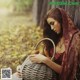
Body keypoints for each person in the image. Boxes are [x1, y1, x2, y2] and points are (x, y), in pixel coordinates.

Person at [30, 8, 80, 80]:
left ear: (61, 20)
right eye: (49, 25)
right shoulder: (55, 37)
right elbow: (41, 56)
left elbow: (68, 72)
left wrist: (46, 60)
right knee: (14, 76)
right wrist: (23, 68)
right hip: (46, 75)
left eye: (52, 23)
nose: (51, 28)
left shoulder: (75, 39)